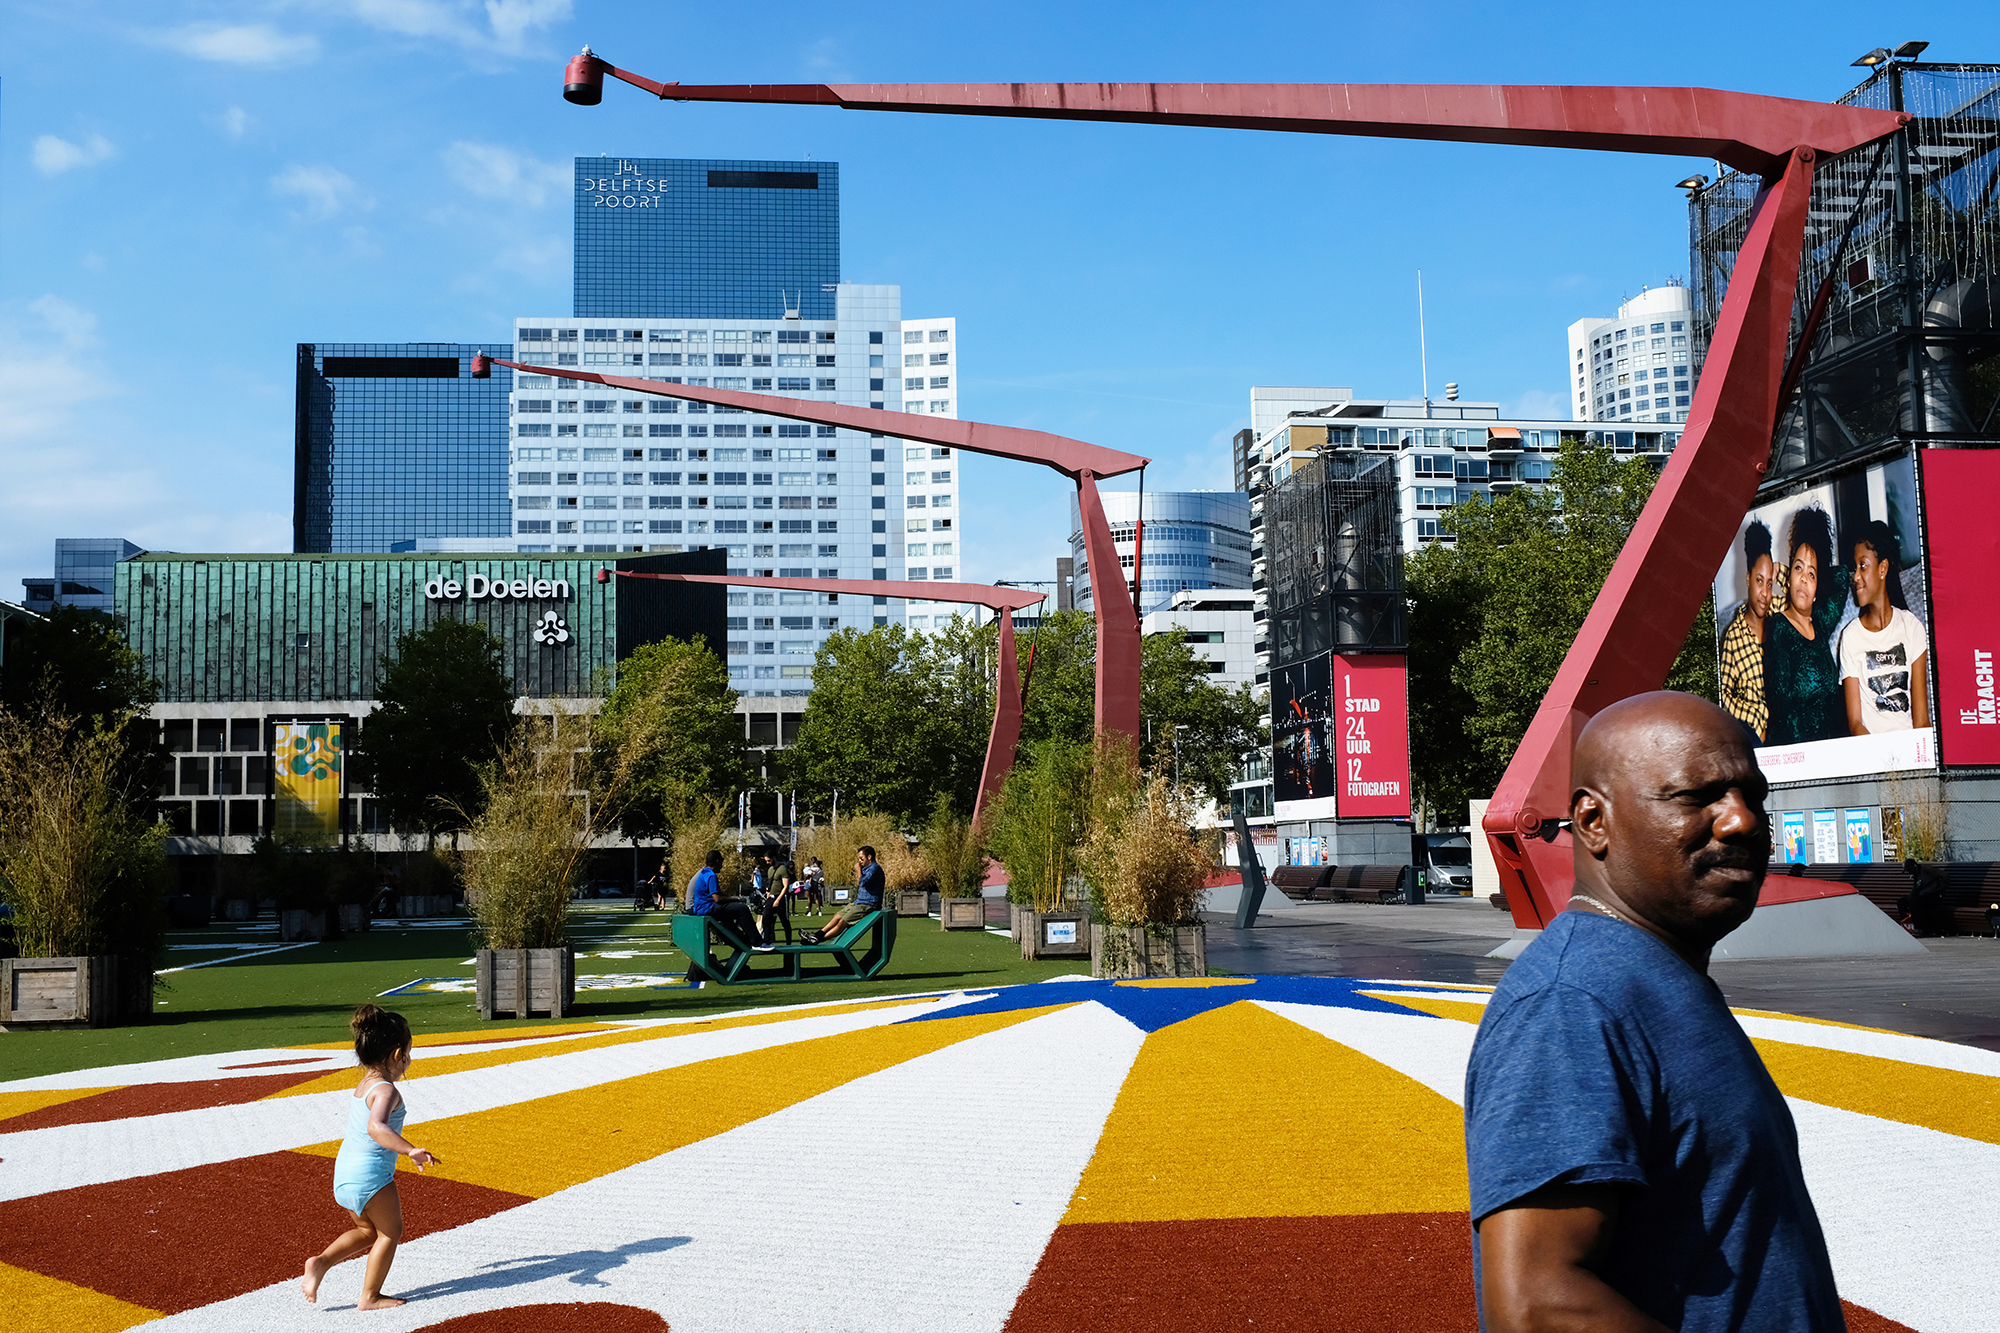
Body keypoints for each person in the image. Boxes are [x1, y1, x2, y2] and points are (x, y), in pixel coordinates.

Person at [1465, 692, 1842, 1333]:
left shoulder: (1646, 975)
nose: (1742, 821)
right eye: (1698, 797)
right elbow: (1535, 1307)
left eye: (1754, 797)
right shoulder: (1570, 1005)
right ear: (1592, 821)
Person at [303, 1004, 442, 1310]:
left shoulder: (364, 1085)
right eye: (409, 1052)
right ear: (397, 1055)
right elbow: (376, 1127)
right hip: (371, 1177)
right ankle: (370, 1296)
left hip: (345, 1175)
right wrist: (409, 1149)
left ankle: (320, 1262)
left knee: (368, 1231)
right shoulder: (387, 1091)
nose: (409, 1059)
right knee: (390, 1233)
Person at [1763, 506, 1847, 745]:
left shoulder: (1821, 624)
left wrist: (1813, 551)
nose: (1803, 578)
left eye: (1812, 574)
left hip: (1833, 748)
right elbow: (1782, 711)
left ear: (1818, 586)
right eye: (1798, 568)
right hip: (1799, 752)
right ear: (1789, 577)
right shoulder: (1778, 627)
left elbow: (1841, 577)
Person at [1841, 519, 1930, 736]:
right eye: (1855, 568)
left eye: (1863, 566)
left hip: (1910, 750)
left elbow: (1921, 720)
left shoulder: (1912, 628)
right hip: (1872, 752)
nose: (1856, 577)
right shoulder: (1851, 637)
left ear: (1882, 568)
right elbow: (1856, 724)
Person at [1718, 519, 1776, 741]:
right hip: (1753, 736)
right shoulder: (1733, 636)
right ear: (1748, 578)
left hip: (1784, 730)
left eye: (1769, 584)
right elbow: (1724, 696)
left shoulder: (1780, 614)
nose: (1765, 594)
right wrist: (1756, 719)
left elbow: (1803, 594)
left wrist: (1776, 569)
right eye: (1759, 581)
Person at [681, 851, 768, 986]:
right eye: (721, 861)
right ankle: (757, 941)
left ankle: (743, 940)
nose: (722, 864)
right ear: (717, 861)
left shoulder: (703, 873)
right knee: (742, 910)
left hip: (700, 908)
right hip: (705, 909)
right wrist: (737, 899)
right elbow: (717, 898)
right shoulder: (711, 875)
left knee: (730, 916)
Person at [806, 846, 884, 943]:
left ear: (869, 857)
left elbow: (862, 882)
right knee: (837, 916)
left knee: (842, 921)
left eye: (861, 858)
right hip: (860, 902)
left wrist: (858, 870)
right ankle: (817, 934)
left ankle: (819, 939)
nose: (859, 861)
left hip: (869, 904)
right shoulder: (867, 868)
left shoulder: (874, 869)